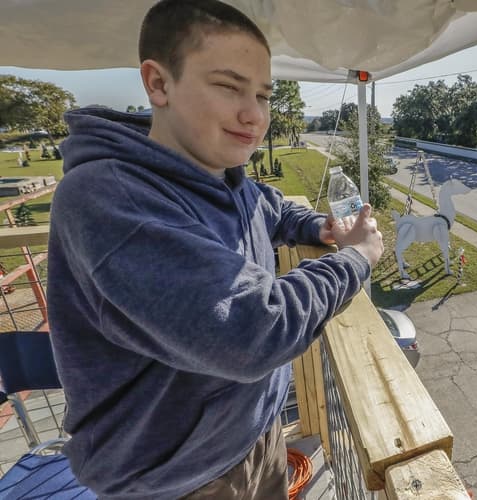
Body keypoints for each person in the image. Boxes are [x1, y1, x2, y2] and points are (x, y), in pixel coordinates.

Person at [46, 0, 383, 498]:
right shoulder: (108, 199)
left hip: (255, 436)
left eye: (264, 95)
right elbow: (252, 330)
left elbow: (270, 209)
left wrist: (319, 229)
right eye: (229, 87)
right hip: (179, 478)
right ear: (158, 83)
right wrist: (356, 258)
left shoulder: (221, 175)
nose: (254, 114)